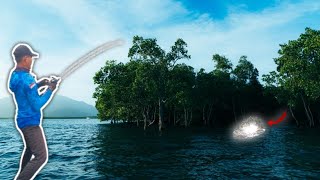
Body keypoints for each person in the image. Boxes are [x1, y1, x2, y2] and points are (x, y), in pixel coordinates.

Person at [7, 43, 60, 180]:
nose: (33, 61)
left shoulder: (14, 76)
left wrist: (39, 84)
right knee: (41, 156)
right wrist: (50, 90)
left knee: (30, 150)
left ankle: (19, 176)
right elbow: (37, 105)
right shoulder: (27, 78)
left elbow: (24, 90)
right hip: (30, 122)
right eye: (31, 58)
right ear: (25, 58)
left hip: (21, 120)